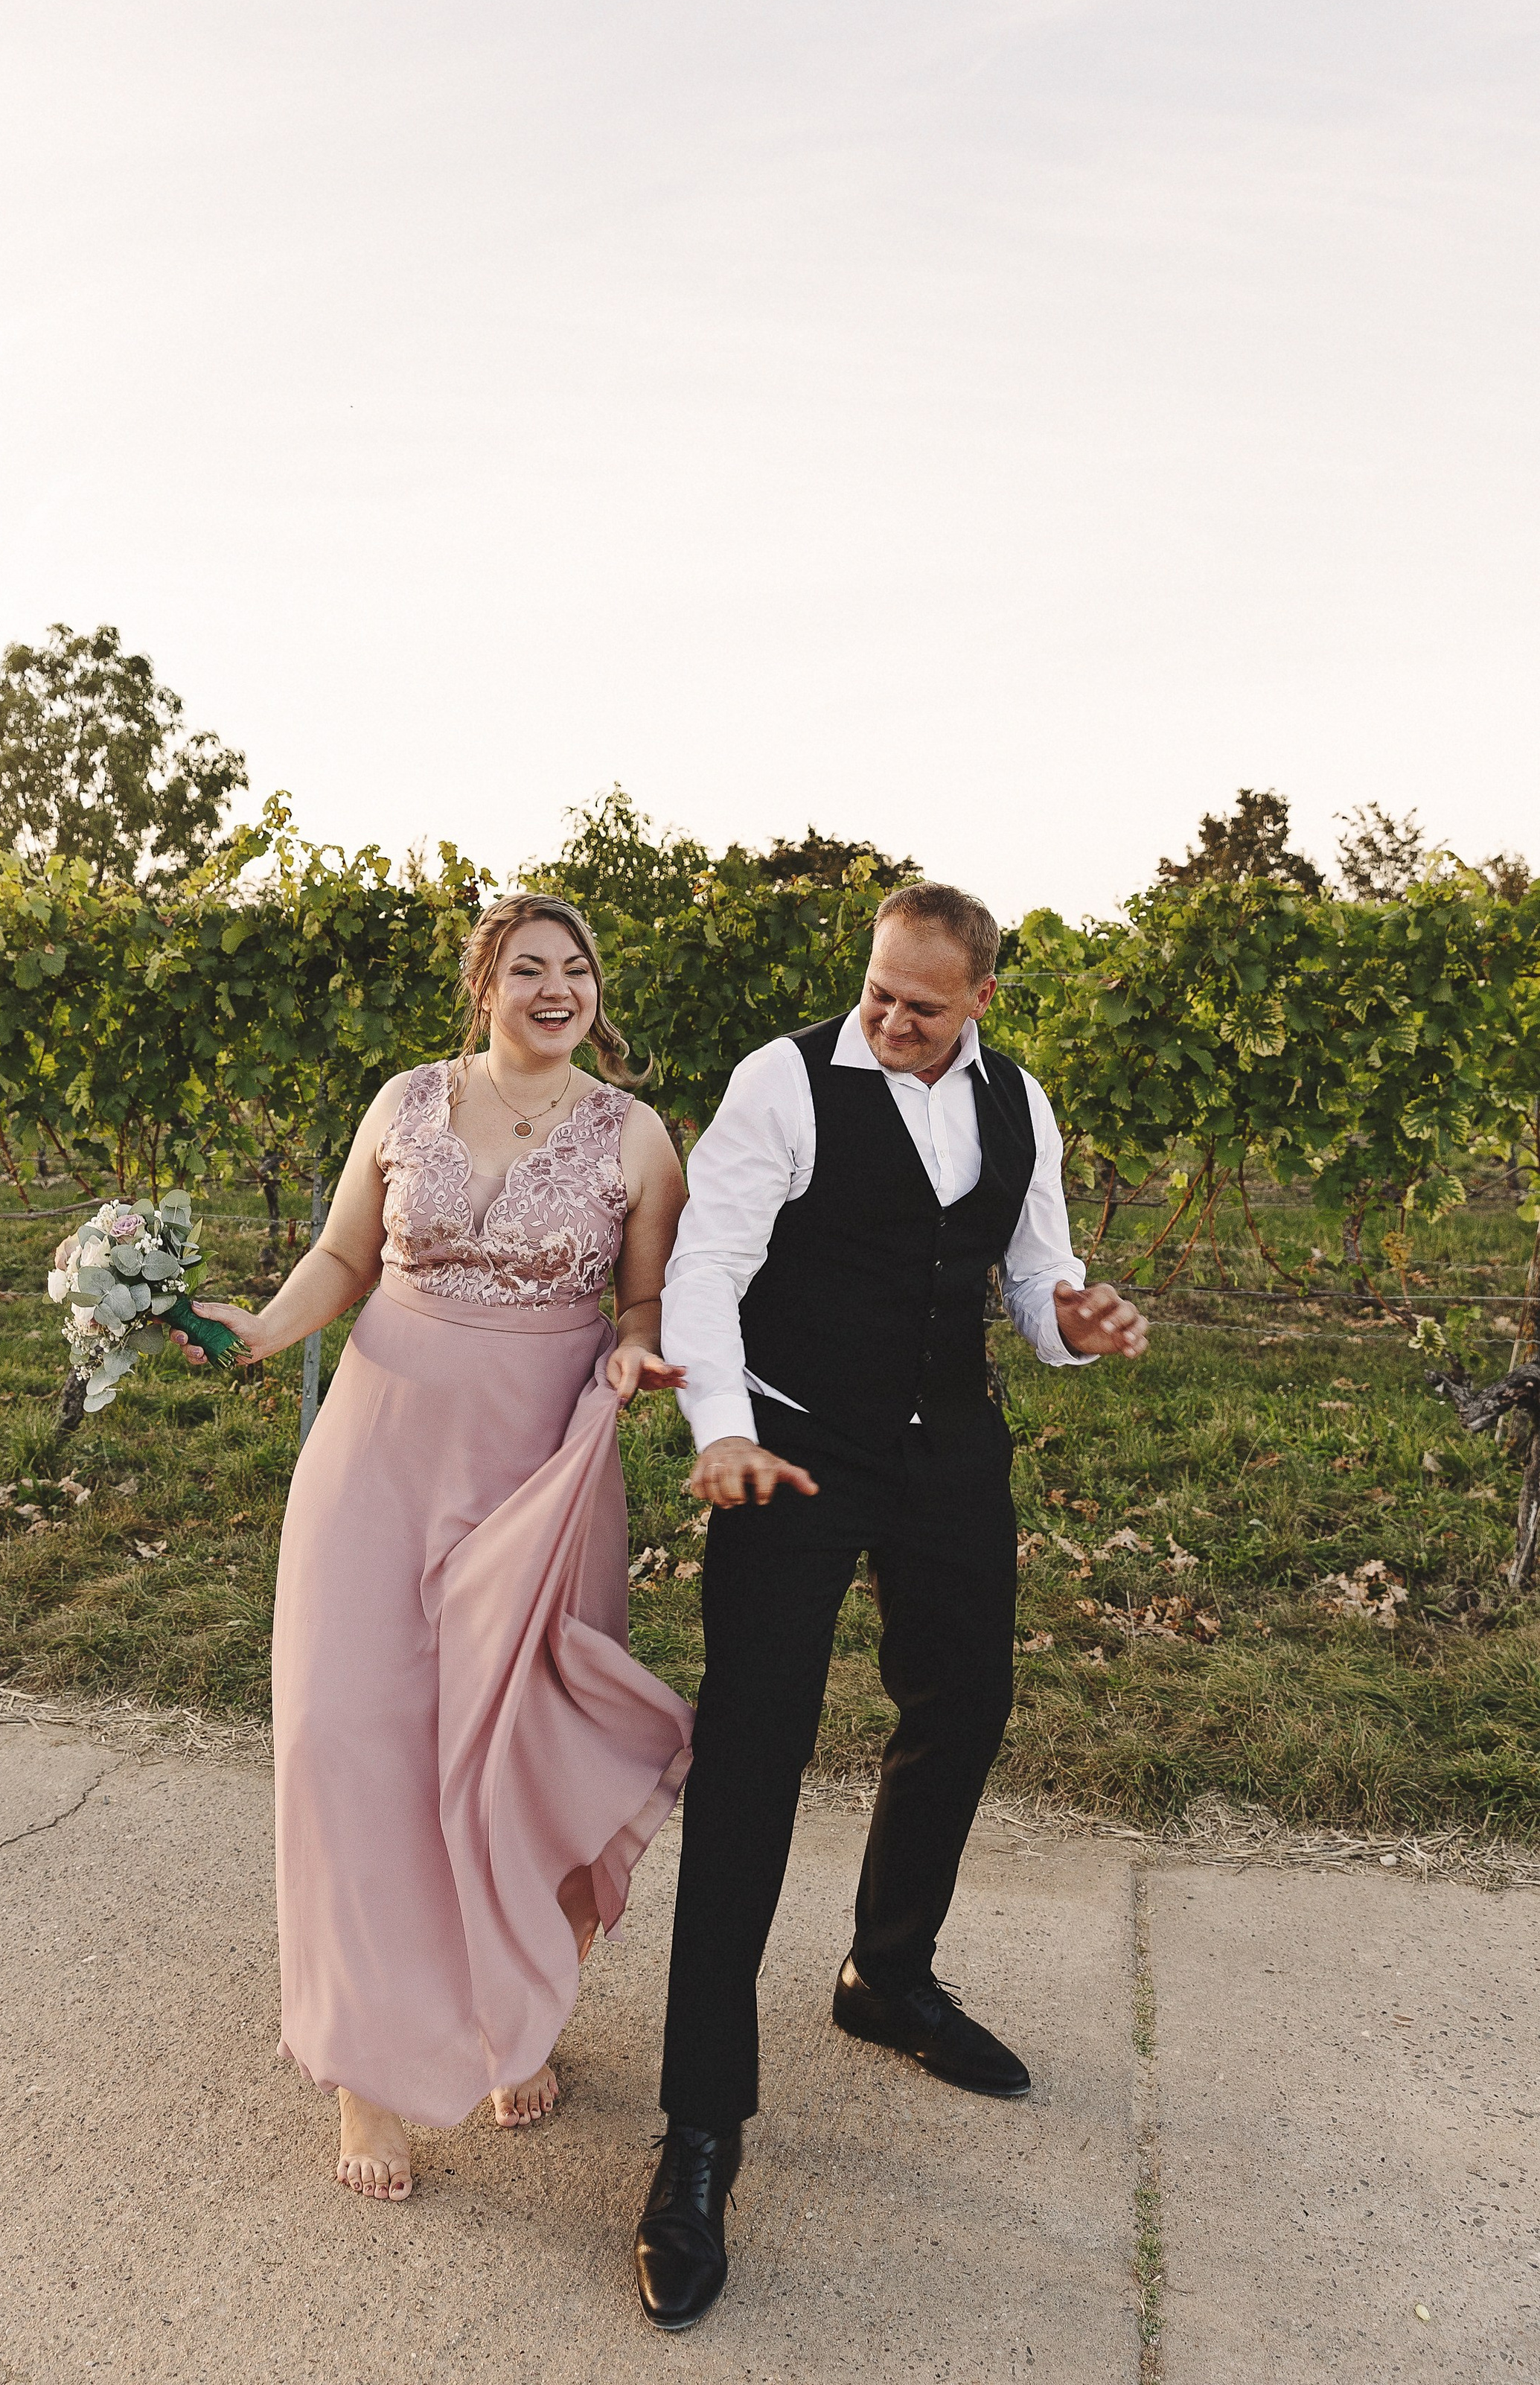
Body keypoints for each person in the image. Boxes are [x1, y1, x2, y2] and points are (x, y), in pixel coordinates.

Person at [632, 880, 1149, 2330]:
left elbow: (1035, 1280)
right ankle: (697, 2132)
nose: (888, 1015)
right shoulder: (782, 1079)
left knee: (962, 1702)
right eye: (877, 988)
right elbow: (707, 1268)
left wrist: (1075, 1325)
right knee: (750, 1760)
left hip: (944, 1449)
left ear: (977, 997)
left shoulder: (1017, 1102)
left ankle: (886, 1970)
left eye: (920, 1001)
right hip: (787, 1443)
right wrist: (720, 1431)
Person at [173, 894, 694, 2204]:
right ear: (484, 986)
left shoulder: (636, 1135)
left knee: (509, 1743)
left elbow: (643, 1292)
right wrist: (260, 1333)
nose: (556, 985)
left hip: (536, 1467)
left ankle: (509, 2010)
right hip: (378, 1447)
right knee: (340, 1736)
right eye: (528, 967)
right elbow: (343, 1254)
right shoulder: (405, 1101)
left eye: (576, 966)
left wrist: (637, 1347)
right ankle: (367, 2070)